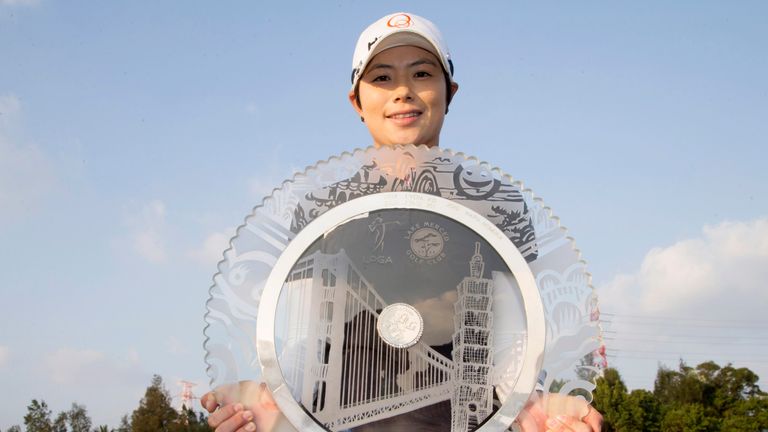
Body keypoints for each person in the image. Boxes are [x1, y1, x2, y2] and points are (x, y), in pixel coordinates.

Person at [202, 12, 603, 432]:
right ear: (356, 100)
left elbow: (509, 337)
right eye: (382, 78)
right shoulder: (320, 209)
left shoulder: (497, 204)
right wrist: (279, 397)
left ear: (450, 92)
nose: (403, 92)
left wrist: (528, 402)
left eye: (422, 73)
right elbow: (308, 334)